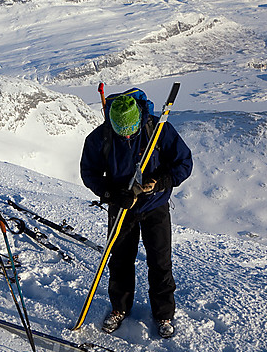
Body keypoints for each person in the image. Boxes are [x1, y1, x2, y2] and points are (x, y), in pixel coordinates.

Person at [79, 90, 192, 338]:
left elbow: (184, 163)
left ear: (140, 118)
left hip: (156, 205)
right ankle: (119, 308)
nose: (128, 135)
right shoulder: (101, 137)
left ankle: (163, 313)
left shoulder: (159, 130)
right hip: (122, 208)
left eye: (132, 129)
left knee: (160, 262)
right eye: (123, 131)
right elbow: (89, 173)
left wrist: (161, 181)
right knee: (119, 260)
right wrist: (111, 194)